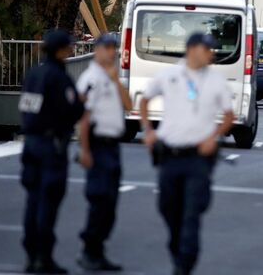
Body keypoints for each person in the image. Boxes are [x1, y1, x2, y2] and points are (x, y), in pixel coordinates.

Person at [140, 33, 234, 275]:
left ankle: (184, 265)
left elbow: (229, 116)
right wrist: (148, 131)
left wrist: (213, 138)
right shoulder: (169, 75)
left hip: (198, 159)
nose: (211, 54)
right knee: (168, 209)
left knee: (192, 212)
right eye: (207, 49)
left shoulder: (215, 80)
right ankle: (177, 249)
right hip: (170, 156)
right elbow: (145, 99)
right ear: (192, 49)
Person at [18, 30, 84, 273]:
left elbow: (26, 108)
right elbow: (72, 110)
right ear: (60, 50)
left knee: (32, 201)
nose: (71, 51)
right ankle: (43, 257)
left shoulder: (33, 74)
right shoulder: (58, 77)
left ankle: (31, 254)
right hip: (51, 147)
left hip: (31, 143)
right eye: (68, 47)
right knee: (48, 202)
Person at [75, 34, 132, 271]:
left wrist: (117, 81)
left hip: (112, 147)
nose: (112, 52)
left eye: (114, 48)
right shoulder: (90, 79)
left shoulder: (110, 77)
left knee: (110, 203)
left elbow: (129, 105)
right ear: (97, 50)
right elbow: (84, 119)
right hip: (98, 146)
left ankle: (98, 252)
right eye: (107, 48)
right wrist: (84, 150)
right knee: (100, 199)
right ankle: (89, 249)